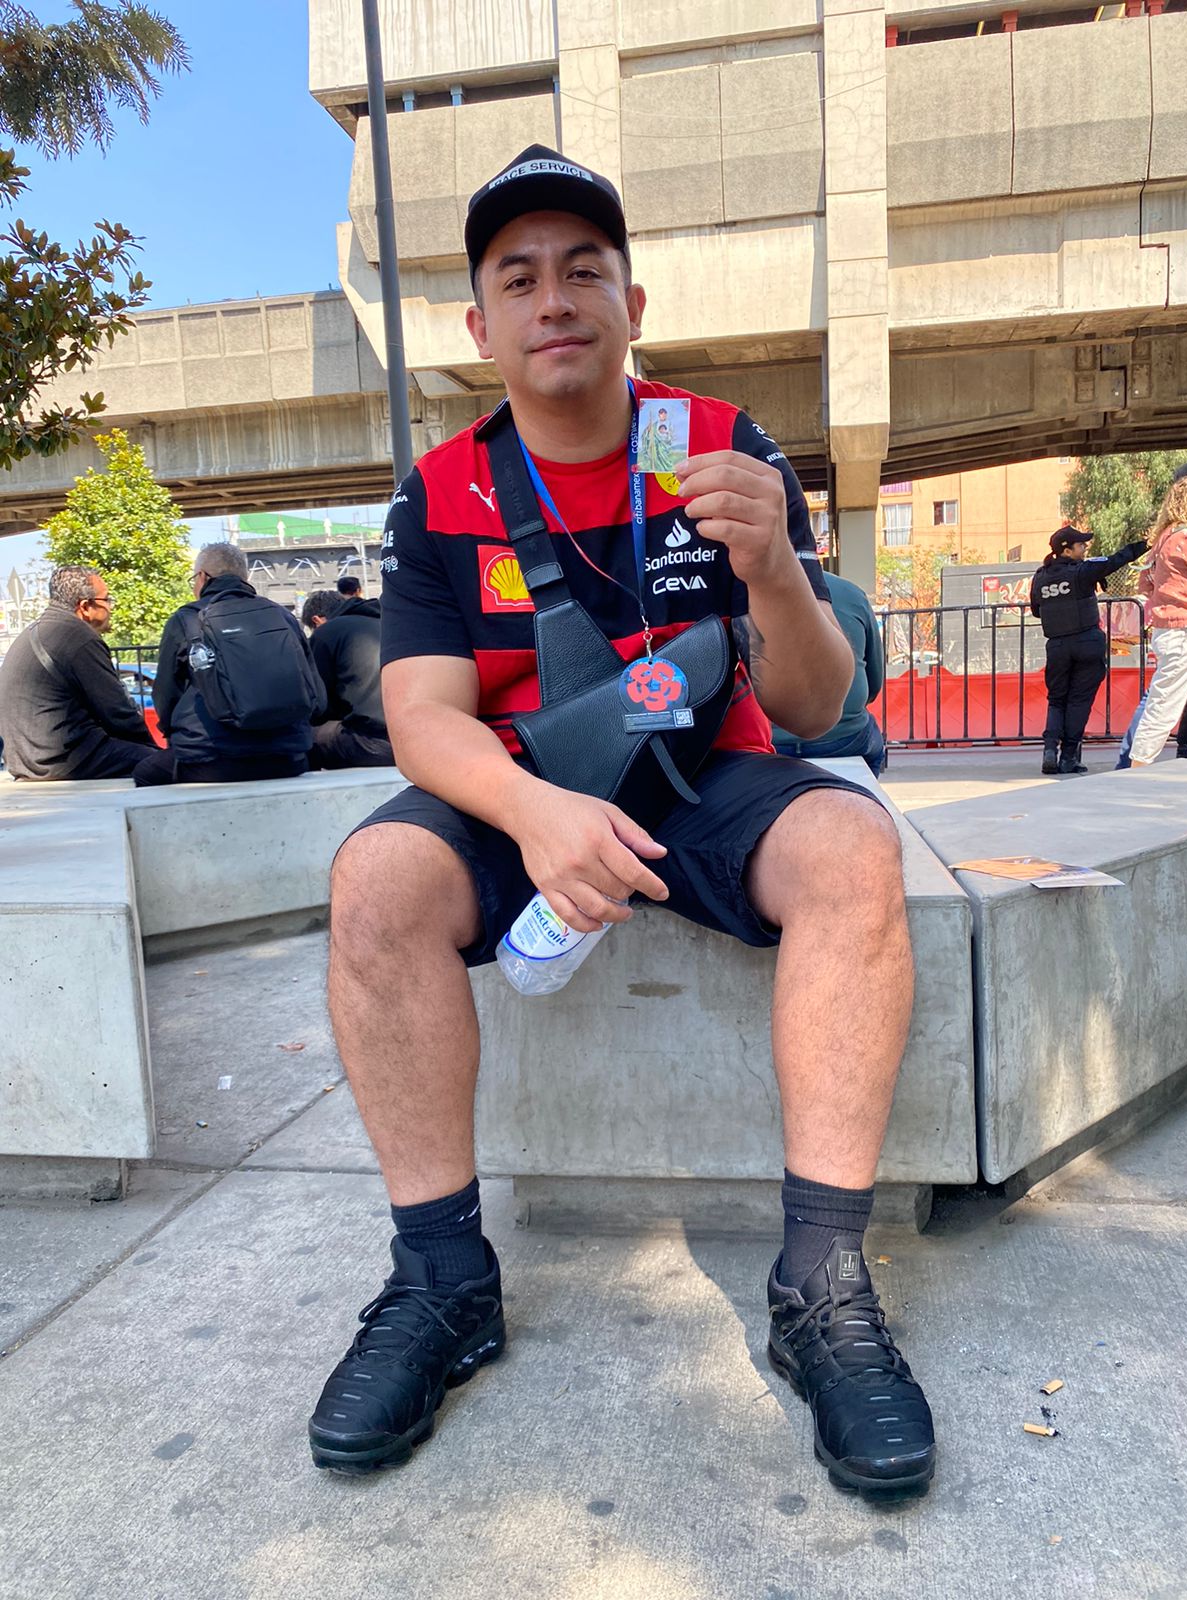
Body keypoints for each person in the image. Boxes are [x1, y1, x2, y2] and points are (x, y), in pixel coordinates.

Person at [309, 146, 935, 1498]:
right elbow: (421, 717)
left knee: (854, 846)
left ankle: (821, 1285)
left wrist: (775, 572)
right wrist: (535, 815)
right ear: (481, 326)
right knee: (374, 879)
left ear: (631, 304)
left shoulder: (717, 443)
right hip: (524, 784)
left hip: (713, 778)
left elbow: (817, 703)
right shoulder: (443, 491)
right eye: (519, 278)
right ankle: (441, 1278)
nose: (555, 299)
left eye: (584, 270)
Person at [143, 543, 325, 784]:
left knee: (145, 772)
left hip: (212, 760)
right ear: (244, 577)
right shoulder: (282, 616)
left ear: (202, 577)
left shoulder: (186, 619)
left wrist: (172, 732)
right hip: (288, 757)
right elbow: (317, 695)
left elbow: (166, 694)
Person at [0, 565, 157, 781]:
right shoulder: (79, 637)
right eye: (107, 600)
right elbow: (118, 712)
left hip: (26, 763)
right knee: (170, 765)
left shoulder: (34, 631)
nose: (110, 607)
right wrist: (155, 751)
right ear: (85, 607)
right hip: (65, 760)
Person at [1029, 524, 1148, 774]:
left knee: (1057, 700)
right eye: (1081, 545)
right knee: (1078, 702)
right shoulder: (1082, 571)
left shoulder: (1040, 576)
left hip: (1057, 646)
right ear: (1067, 550)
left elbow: (1037, 611)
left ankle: (1049, 750)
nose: (1084, 548)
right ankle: (1068, 757)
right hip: (1087, 643)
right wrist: (1146, 543)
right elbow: (1117, 560)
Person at [776, 570, 886, 776]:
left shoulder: (745, 589)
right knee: (875, 749)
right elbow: (874, 683)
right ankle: (863, 791)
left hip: (770, 742)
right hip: (844, 736)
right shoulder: (852, 593)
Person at [1128, 475, 1187, 766]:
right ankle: (1136, 769)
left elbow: (1145, 585)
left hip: (1173, 629)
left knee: (1163, 703)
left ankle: (1136, 767)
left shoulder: (1163, 540)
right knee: (1163, 707)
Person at [301, 589, 394, 769]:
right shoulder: (389, 623)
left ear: (317, 620)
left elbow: (317, 700)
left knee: (303, 738)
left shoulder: (327, 632)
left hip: (372, 742)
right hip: (414, 737)